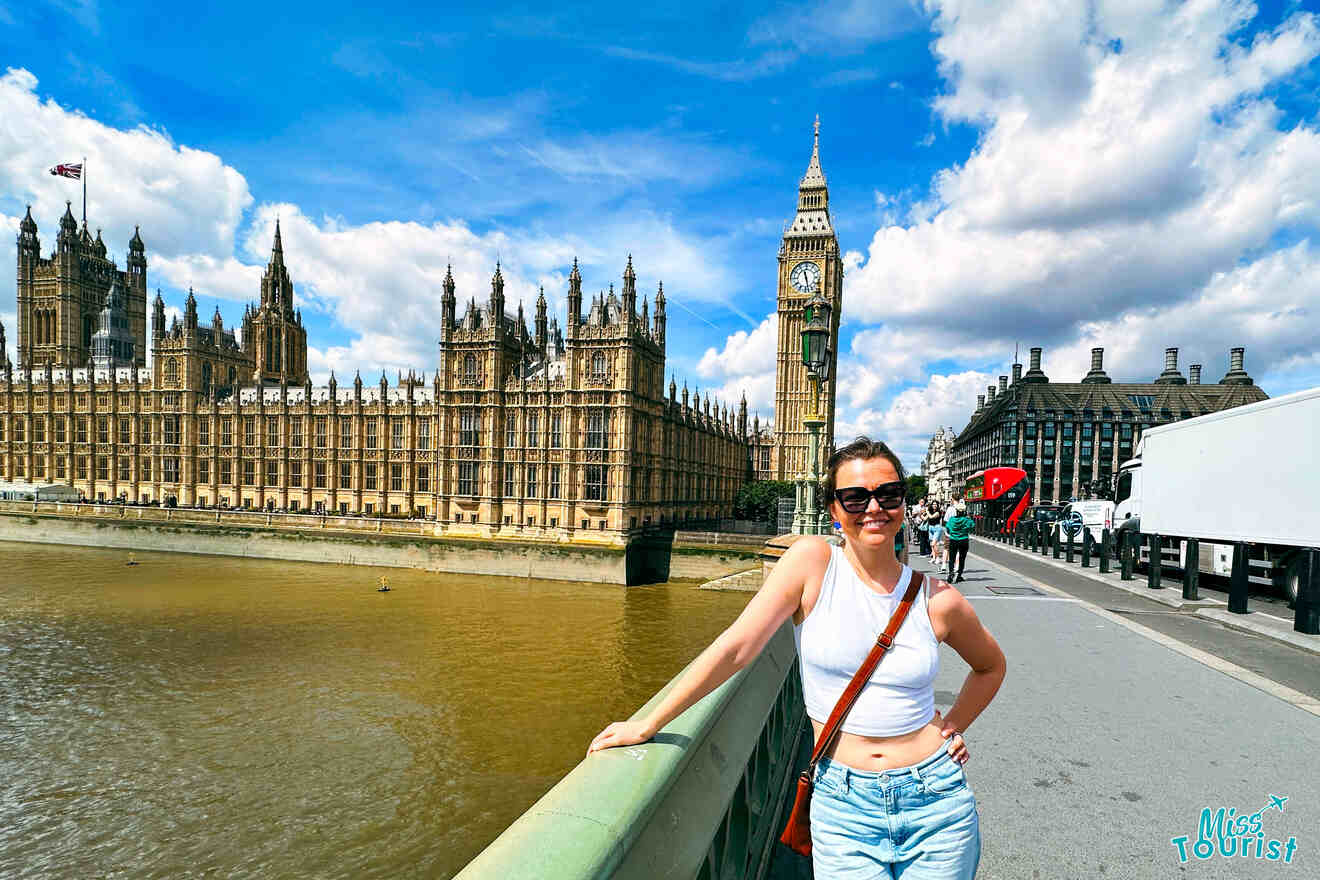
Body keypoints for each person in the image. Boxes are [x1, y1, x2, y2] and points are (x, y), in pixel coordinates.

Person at [588, 437, 1006, 879]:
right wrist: (650, 722)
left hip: (935, 800)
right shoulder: (812, 562)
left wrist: (953, 724)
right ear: (833, 509)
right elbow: (737, 647)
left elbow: (991, 666)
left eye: (888, 494)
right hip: (844, 804)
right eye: (855, 497)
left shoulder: (936, 599)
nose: (873, 508)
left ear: (903, 501)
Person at [945, 501, 976, 584]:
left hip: (953, 540)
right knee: (962, 559)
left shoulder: (952, 519)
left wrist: (953, 532)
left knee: (952, 558)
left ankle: (951, 573)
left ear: (956, 511)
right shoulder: (967, 520)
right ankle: (959, 575)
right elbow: (972, 526)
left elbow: (947, 528)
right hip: (964, 540)